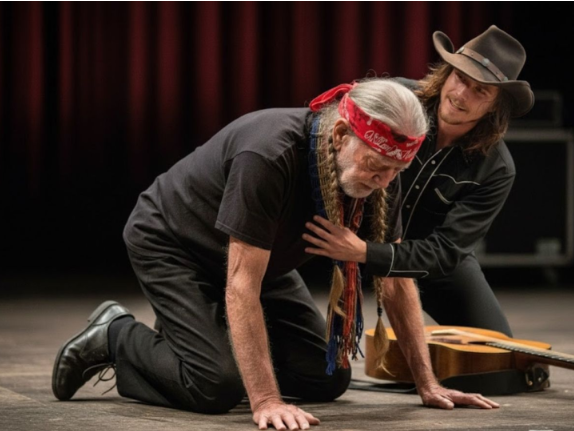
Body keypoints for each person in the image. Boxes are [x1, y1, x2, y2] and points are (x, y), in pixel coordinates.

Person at [52, 78, 499, 431]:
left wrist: (428, 383)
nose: (384, 181)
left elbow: (396, 280)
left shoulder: (383, 175)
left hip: (264, 260)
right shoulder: (268, 153)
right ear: (341, 134)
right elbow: (241, 284)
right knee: (214, 386)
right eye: (376, 167)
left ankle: (199, 339)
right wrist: (266, 399)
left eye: (396, 171)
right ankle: (115, 334)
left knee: (327, 377)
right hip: (175, 244)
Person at [304, 26, 543, 394]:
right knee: (312, 365)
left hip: (424, 259)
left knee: (496, 371)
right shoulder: (397, 100)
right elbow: (324, 134)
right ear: (447, 73)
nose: (461, 94)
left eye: (480, 91)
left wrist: (368, 253)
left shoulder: (496, 167)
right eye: (460, 78)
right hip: (343, 228)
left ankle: (415, 368)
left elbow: (446, 252)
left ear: (496, 106)